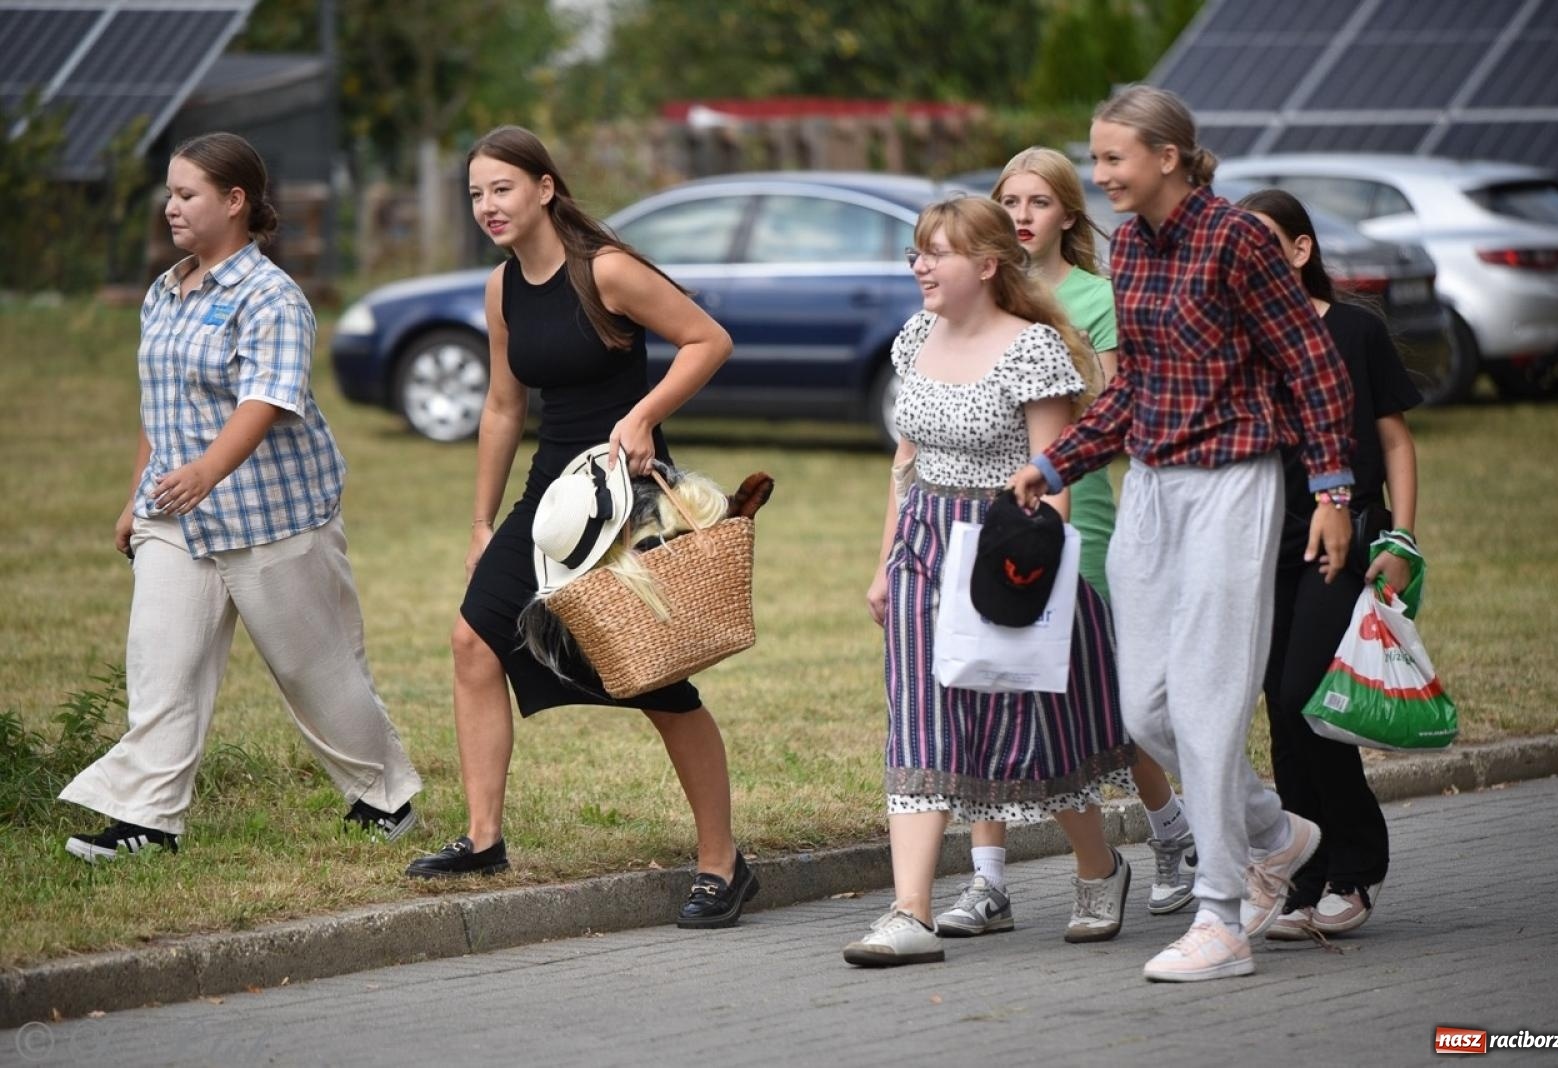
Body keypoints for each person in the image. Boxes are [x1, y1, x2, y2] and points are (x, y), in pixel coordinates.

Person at [1007, 86, 1356, 983]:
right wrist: (1060, 462)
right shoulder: (1132, 248)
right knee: (1144, 711)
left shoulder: (1238, 238)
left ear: (1168, 156)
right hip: (1154, 490)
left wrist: (1332, 488)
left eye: (1113, 158)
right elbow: (1134, 388)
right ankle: (1277, 834)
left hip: (1233, 487)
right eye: (1095, 157)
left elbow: (1310, 364)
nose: (1099, 174)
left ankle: (1223, 918)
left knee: (1206, 702)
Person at [402, 126, 757, 930]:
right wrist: (483, 520)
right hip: (550, 497)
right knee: (473, 641)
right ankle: (484, 838)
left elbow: (709, 339)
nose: (488, 205)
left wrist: (644, 413)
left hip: (627, 499)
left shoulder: (607, 271)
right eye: (475, 194)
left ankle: (722, 864)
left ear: (544, 188)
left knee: (656, 681)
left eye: (501, 188)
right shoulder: (502, 290)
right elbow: (501, 406)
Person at [60, 132, 422, 861]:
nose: (171, 207)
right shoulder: (167, 292)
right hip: (177, 517)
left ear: (235, 202)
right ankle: (147, 821)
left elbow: (265, 399)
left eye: (187, 194)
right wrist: (142, 496)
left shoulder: (271, 297)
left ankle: (387, 797)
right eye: (169, 193)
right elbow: (156, 406)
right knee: (163, 666)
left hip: (273, 516)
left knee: (312, 671)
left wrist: (205, 473)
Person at [844, 195, 1140, 968]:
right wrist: (884, 564)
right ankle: (909, 910)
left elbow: (1060, 474)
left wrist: (1030, 574)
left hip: (1007, 548)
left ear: (985, 264)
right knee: (920, 720)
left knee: (1032, 730)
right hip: (923, 547)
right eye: (916, 252)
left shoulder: (1035, 349)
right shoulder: (914, 338)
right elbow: (903, 464)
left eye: (935, 253)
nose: (919, 267)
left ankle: (1098, 870)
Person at [933, 148, 1199, 938]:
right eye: (1009, 200)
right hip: (984, 518)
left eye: (1039, 201)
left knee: (1099, 708)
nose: (1022, 215)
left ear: (1069, 216)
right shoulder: (979, 296)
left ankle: (1173, 833)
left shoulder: (1095, 297)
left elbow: (1108, 415)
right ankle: (989, 883)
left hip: (1071, 516)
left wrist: (1050, 491)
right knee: (985, 688)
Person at [1235, 188, 1421, 940]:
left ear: (1301, 250)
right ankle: (1304, 876)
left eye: (1263, 244)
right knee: (1281, 710)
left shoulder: (1354, 330)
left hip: (1339, 542)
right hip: (1257, 545)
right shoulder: (1241, 340)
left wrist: (1401, 540)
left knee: (1307, 696)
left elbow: (1397, 443)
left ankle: (1354, 867)